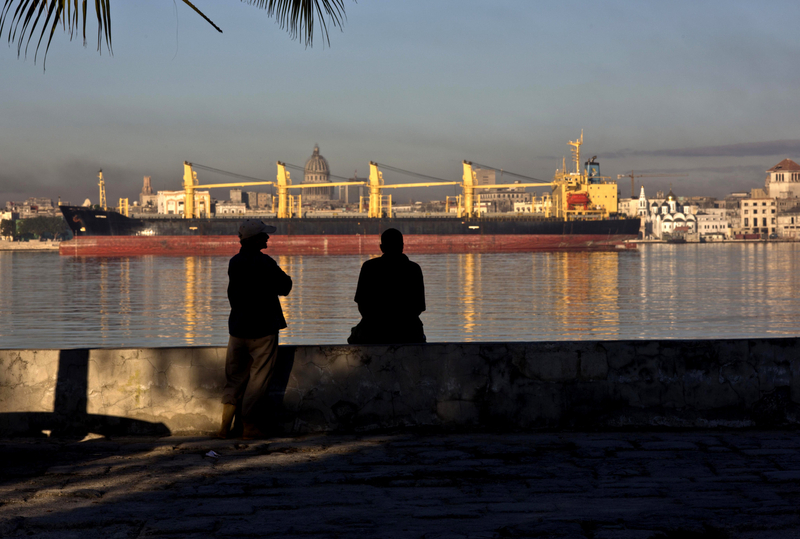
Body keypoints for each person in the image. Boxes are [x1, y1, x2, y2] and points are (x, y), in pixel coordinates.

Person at [219, 220, 292, 439]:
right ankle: (249, 426)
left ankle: (224, 427)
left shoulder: (235, 262)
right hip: (263, 329)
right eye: (264, 235)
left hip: (238, 328)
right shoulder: (265, 262)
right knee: (258, 380)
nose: (267, 238)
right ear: (255, 239)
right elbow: (285, 286)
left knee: (234, 379)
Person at [348, 228, 426, 344]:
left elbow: (362, 305)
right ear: (402, 246)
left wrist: (376, 322)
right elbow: (419, 307)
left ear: (382, 247)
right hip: (409, 331)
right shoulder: (414, 269)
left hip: (373, 331)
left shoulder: (369, 267)